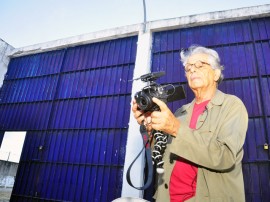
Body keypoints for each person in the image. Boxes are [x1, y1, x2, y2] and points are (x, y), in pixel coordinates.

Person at [132, 45, 248, 202]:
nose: (192, 70)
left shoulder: (232, 105)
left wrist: (176, 129)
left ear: (216, 74)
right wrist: (150, 130)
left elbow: (225, 156)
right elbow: (159, 155)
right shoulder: (180, 112)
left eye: (199, 65)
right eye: (188, 68)